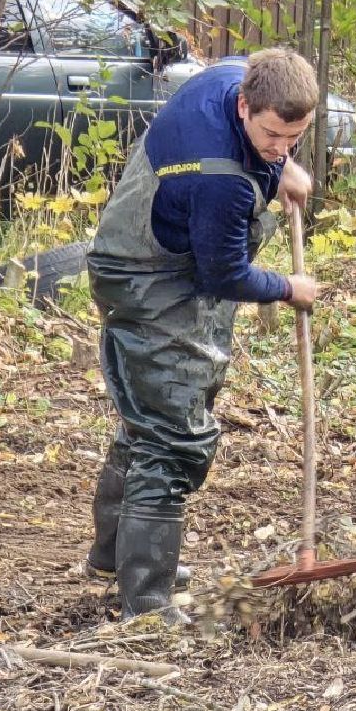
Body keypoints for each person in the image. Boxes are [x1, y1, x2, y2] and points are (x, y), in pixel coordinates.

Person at [83, 47, 320, 623]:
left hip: (144, 257)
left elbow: (264, 144)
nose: (282, 146)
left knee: (149, 415)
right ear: (244, 105)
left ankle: (116, 554)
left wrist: (277, 164)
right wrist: (289, 288)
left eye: (295, 137)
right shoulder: (221, 180)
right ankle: (147, 601)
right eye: (270, 135)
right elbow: (225, 274)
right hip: (150, 279)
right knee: (174, 436)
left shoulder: (231, 74)